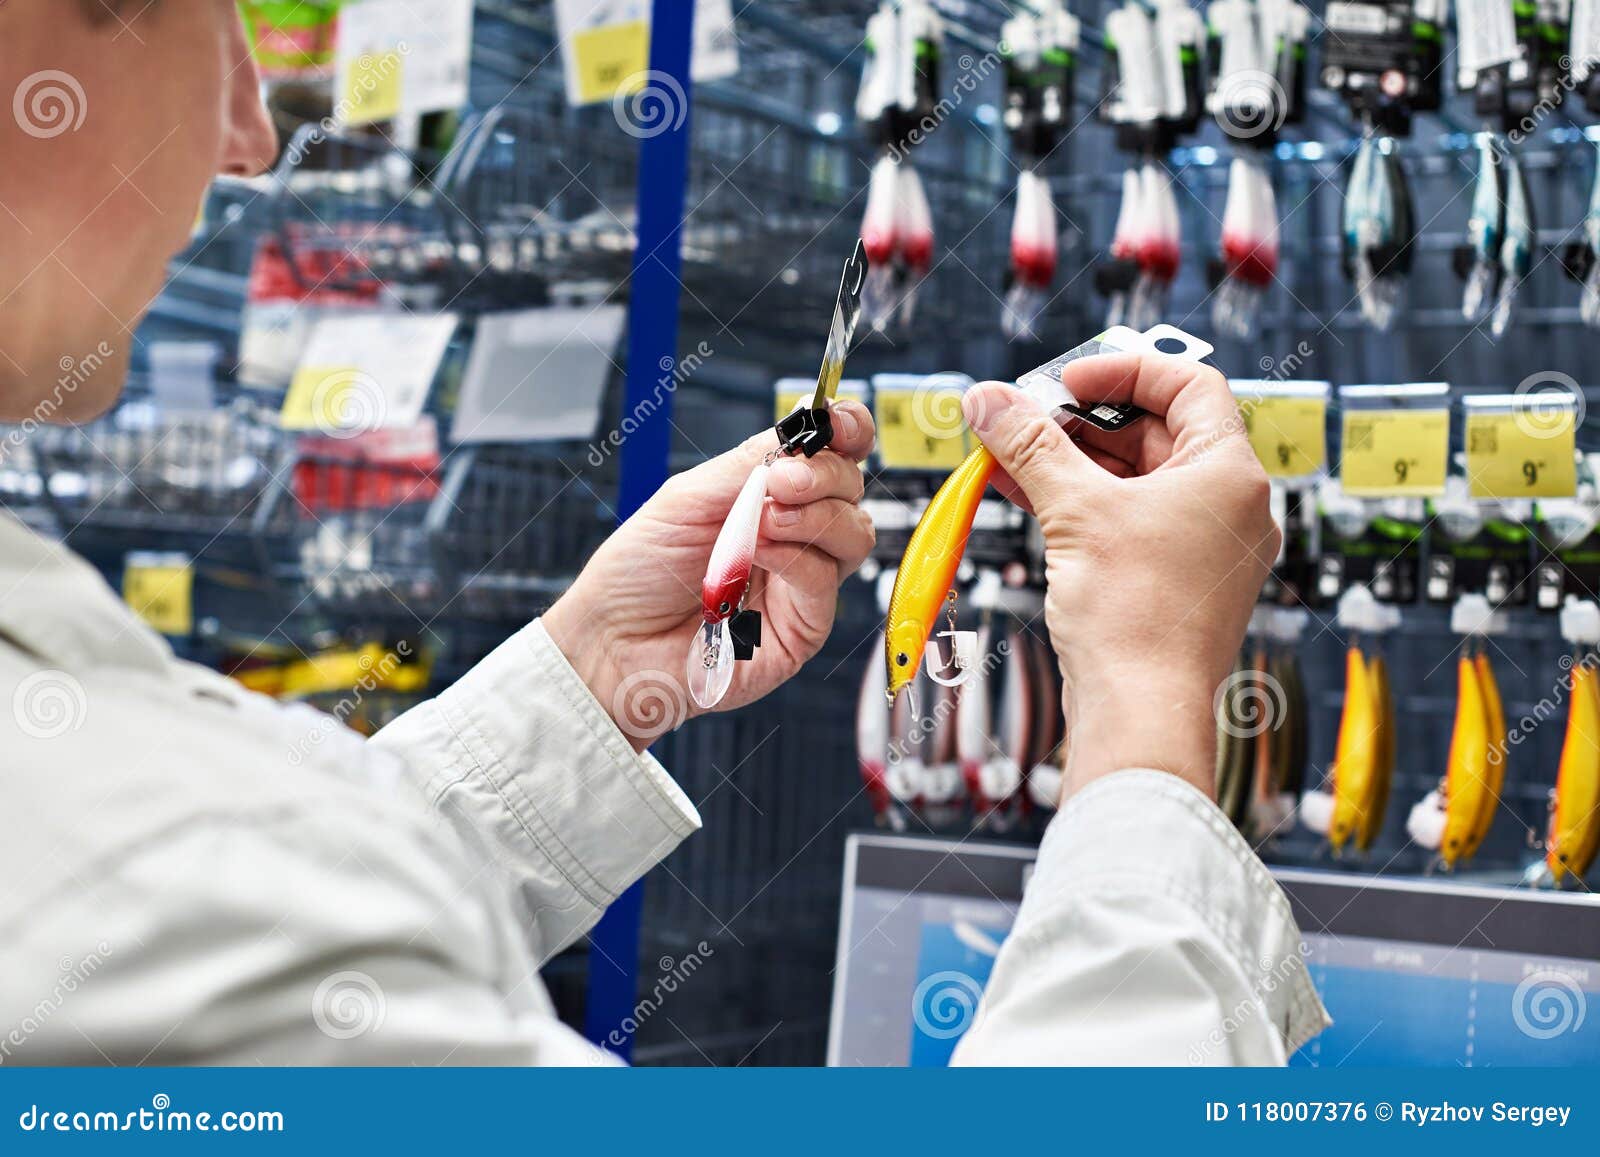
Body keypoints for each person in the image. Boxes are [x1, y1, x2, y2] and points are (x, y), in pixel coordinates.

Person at [0, 1, 1327, 1065]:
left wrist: (590, 675)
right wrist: (1152, 706)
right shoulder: (135, 873)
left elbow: (263, 901)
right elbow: (216, 910)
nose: (252, 129)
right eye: (200, 14)